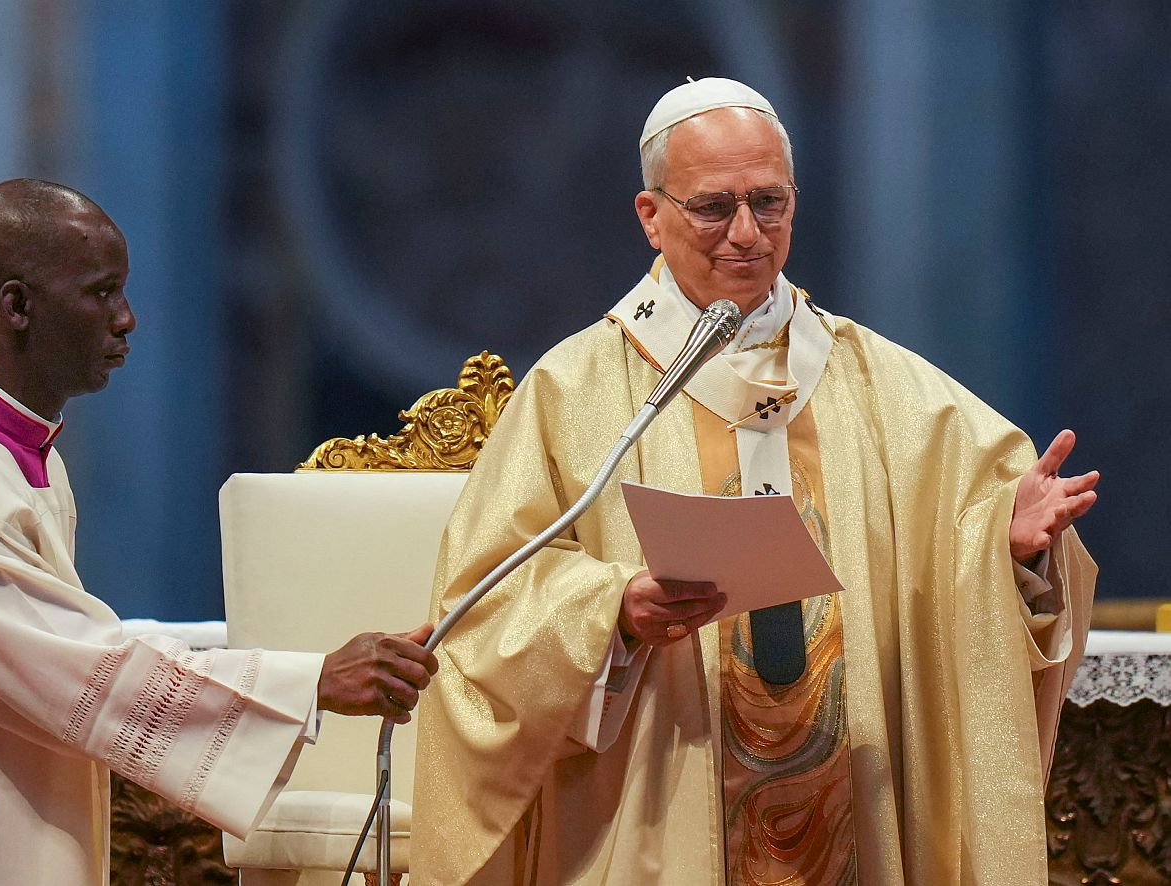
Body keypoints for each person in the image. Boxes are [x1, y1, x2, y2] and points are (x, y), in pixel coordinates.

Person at [411, 78, 1097, 884]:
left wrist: (1006, 550)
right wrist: (613, 612)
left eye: (769, 203)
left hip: (854, 806)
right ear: (650, 216)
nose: (747, 234)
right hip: (657, 802)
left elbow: (966, 569)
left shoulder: (881, 386)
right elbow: (482, 613)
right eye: (713, 207)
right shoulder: (577, 391)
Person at [0, 179, 439, 885]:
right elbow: (80, 672)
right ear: (17, 306)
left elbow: (69, 645)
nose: (127, 320)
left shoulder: (15, 460)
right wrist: (312, 681)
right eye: (102, 293)